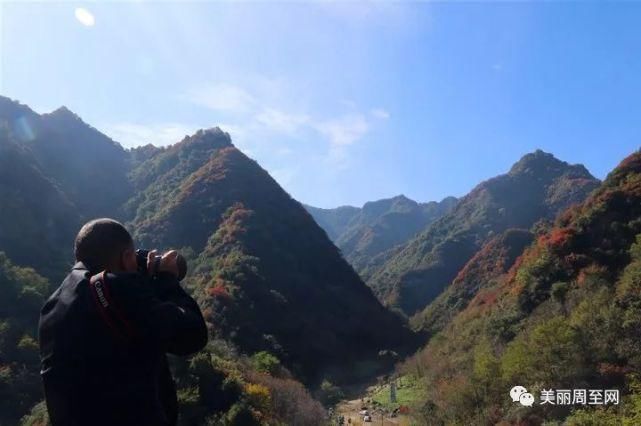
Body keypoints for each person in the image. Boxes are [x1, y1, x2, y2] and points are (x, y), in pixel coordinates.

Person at [38, 218, 208, 426]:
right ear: (127, 257)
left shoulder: (52, 307)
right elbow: (193, 335)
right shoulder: (115, 291)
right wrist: (166, 279)